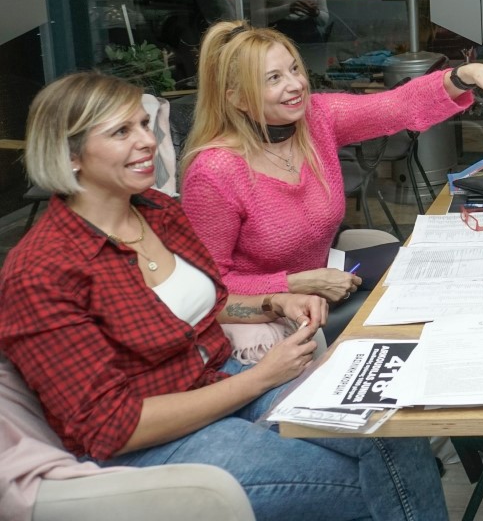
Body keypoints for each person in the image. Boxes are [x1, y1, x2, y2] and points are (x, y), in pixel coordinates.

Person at [0, 71, 447, 520]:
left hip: (221, 382)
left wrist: (272, 302)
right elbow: (110, 428)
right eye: (121, 132)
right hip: (152, 443)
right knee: (374, 482)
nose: (147, 141)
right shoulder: (42, 271)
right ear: (70, 154)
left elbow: (204, 310)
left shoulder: (159, 214)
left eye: (144, 125)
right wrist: (260, 378)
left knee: (390, 427)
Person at [180, 21, 483, 342]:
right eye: (274, 78)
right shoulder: (214, 172)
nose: (296, 85)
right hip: (271, 313)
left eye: (294, 69)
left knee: (443, 272)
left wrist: (463, 75)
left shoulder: (315, 119)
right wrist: (293, 284)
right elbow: (208, 292)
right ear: (237, 98)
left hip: (327, 276)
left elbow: (396, 105)